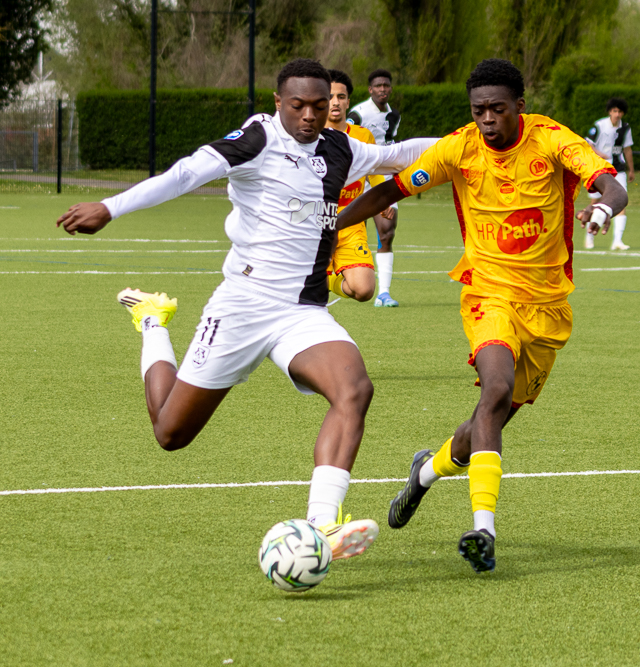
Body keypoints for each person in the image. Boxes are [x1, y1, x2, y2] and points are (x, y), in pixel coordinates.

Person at [55, 58, 436, 561]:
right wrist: (111, 206)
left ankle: (321, 526)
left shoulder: (340, 147)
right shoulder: (257, 139)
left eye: (319, 107)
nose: (309, 116)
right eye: (297, 105)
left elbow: (397, 154)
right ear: (278, 103)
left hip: (302, 312)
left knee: (354, 389)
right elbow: (185, 174)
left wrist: (467, 141)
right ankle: (151, 320)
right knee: (170, 433)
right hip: (243, 305)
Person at [336, 59, 627, 573]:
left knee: (488, 421)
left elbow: (610, 183)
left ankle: (425, 472)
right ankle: (483, 529)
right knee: (493, 392)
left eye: (497, 109)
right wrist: (330, 226)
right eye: (479, 110)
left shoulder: (553, 140)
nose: (487, 119)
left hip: (547, 306)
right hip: (487, 293)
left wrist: (602, 209)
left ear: (520, 105)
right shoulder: (459, 147)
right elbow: (389, 191)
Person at [324, 69, 384, 302]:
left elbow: (375, 170)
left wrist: (382, 202)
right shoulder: (310, 134)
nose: (335, 102)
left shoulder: (363, 135)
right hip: (316, 221)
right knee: (298, 291)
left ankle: (326, 281)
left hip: (351, 220)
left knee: (364, 290)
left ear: (349, 101)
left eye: (341, 96)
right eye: (329, 97)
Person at [348, 69, 402, 307]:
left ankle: (384, 293)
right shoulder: (358, 113)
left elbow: (391, 143)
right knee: (340, 228)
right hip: (357, 178)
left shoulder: (394, 115)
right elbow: (344, 135)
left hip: (382, 177)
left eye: (386, 85)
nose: (383, 89)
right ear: (370, 90)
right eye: (378, 86)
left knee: (387, 230)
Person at [584, 97, 635, 250]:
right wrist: (601, 155)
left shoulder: (625, 128)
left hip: (618, 169)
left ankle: (617, 241)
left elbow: (627, 149)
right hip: (599, 168)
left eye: (620, 112)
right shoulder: (599, 126)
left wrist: (631, 169)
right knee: (596, 202)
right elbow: (588, 145)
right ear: (609, 112)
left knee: (620, 202)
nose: (617, 114)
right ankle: (589, 236)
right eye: (614, 111)